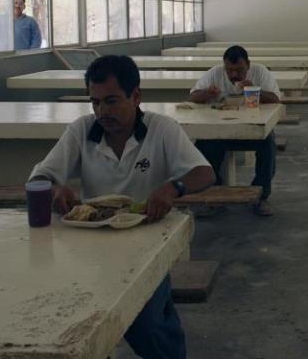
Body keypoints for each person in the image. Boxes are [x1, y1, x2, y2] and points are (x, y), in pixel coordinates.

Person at [28, 54, 214, 359]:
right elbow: (40, 177)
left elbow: (204, 173)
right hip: (89, 243)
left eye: (112, 101)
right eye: (95, 102)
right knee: (71, 319)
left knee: (146, 323)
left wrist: (173, 187)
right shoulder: (81, 130)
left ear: (136, 96)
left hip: (148, 240)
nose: (102, 111)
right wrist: (55, 189)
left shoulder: (162, 129)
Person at [189, 45, 281, 217]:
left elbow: (275, 99)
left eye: (239, 70)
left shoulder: (260, 72)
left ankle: (261, 195)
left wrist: (254, 90)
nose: (234, 75)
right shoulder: (215, 73)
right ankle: (215, 194)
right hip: (220, 131)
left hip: (252, 130)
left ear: (248, 65)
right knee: (203, 145)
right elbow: (193, 97)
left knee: (267, 143)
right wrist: (207, 93)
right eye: (229, 70)